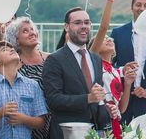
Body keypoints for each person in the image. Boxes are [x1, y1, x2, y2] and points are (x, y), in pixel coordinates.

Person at [42, 8, 116, 139]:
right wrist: (88, 98)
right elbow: (53, 100)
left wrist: (106, 109)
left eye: (87, 23)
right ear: (66, 27)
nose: (83, 27)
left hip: (94, 132)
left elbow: (96, 96)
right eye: (77, 23)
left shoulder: (96, 59)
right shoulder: (54, 59)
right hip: (66, 133)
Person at [88, 0, 138, 139]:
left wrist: (128, 84)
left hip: (114, 124)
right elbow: (103, 27)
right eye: (103, 39)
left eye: (110, 38)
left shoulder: (117, 72)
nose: (109, 38)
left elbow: (122, 108)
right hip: (96, 123)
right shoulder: (93, 62)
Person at [0, 42, 48, 138]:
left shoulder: (33, 85)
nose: (12, 49)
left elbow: (41, 122)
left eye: (12, 48)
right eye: (5, 50)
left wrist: (23, 119)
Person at [112, 0, 146, 122]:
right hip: (122, 97)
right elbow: (109, 65)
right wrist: (123, 72)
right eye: (138, 5)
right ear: (132, 7)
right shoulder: (118, 33)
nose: (141, 8)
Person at [5, 16, 51, 139]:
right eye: (25, 31)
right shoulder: (13, 64)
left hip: (53, 120)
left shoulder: (51, 59)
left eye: (32, 29)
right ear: (16, 39)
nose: (31, 33)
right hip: (24, 123)